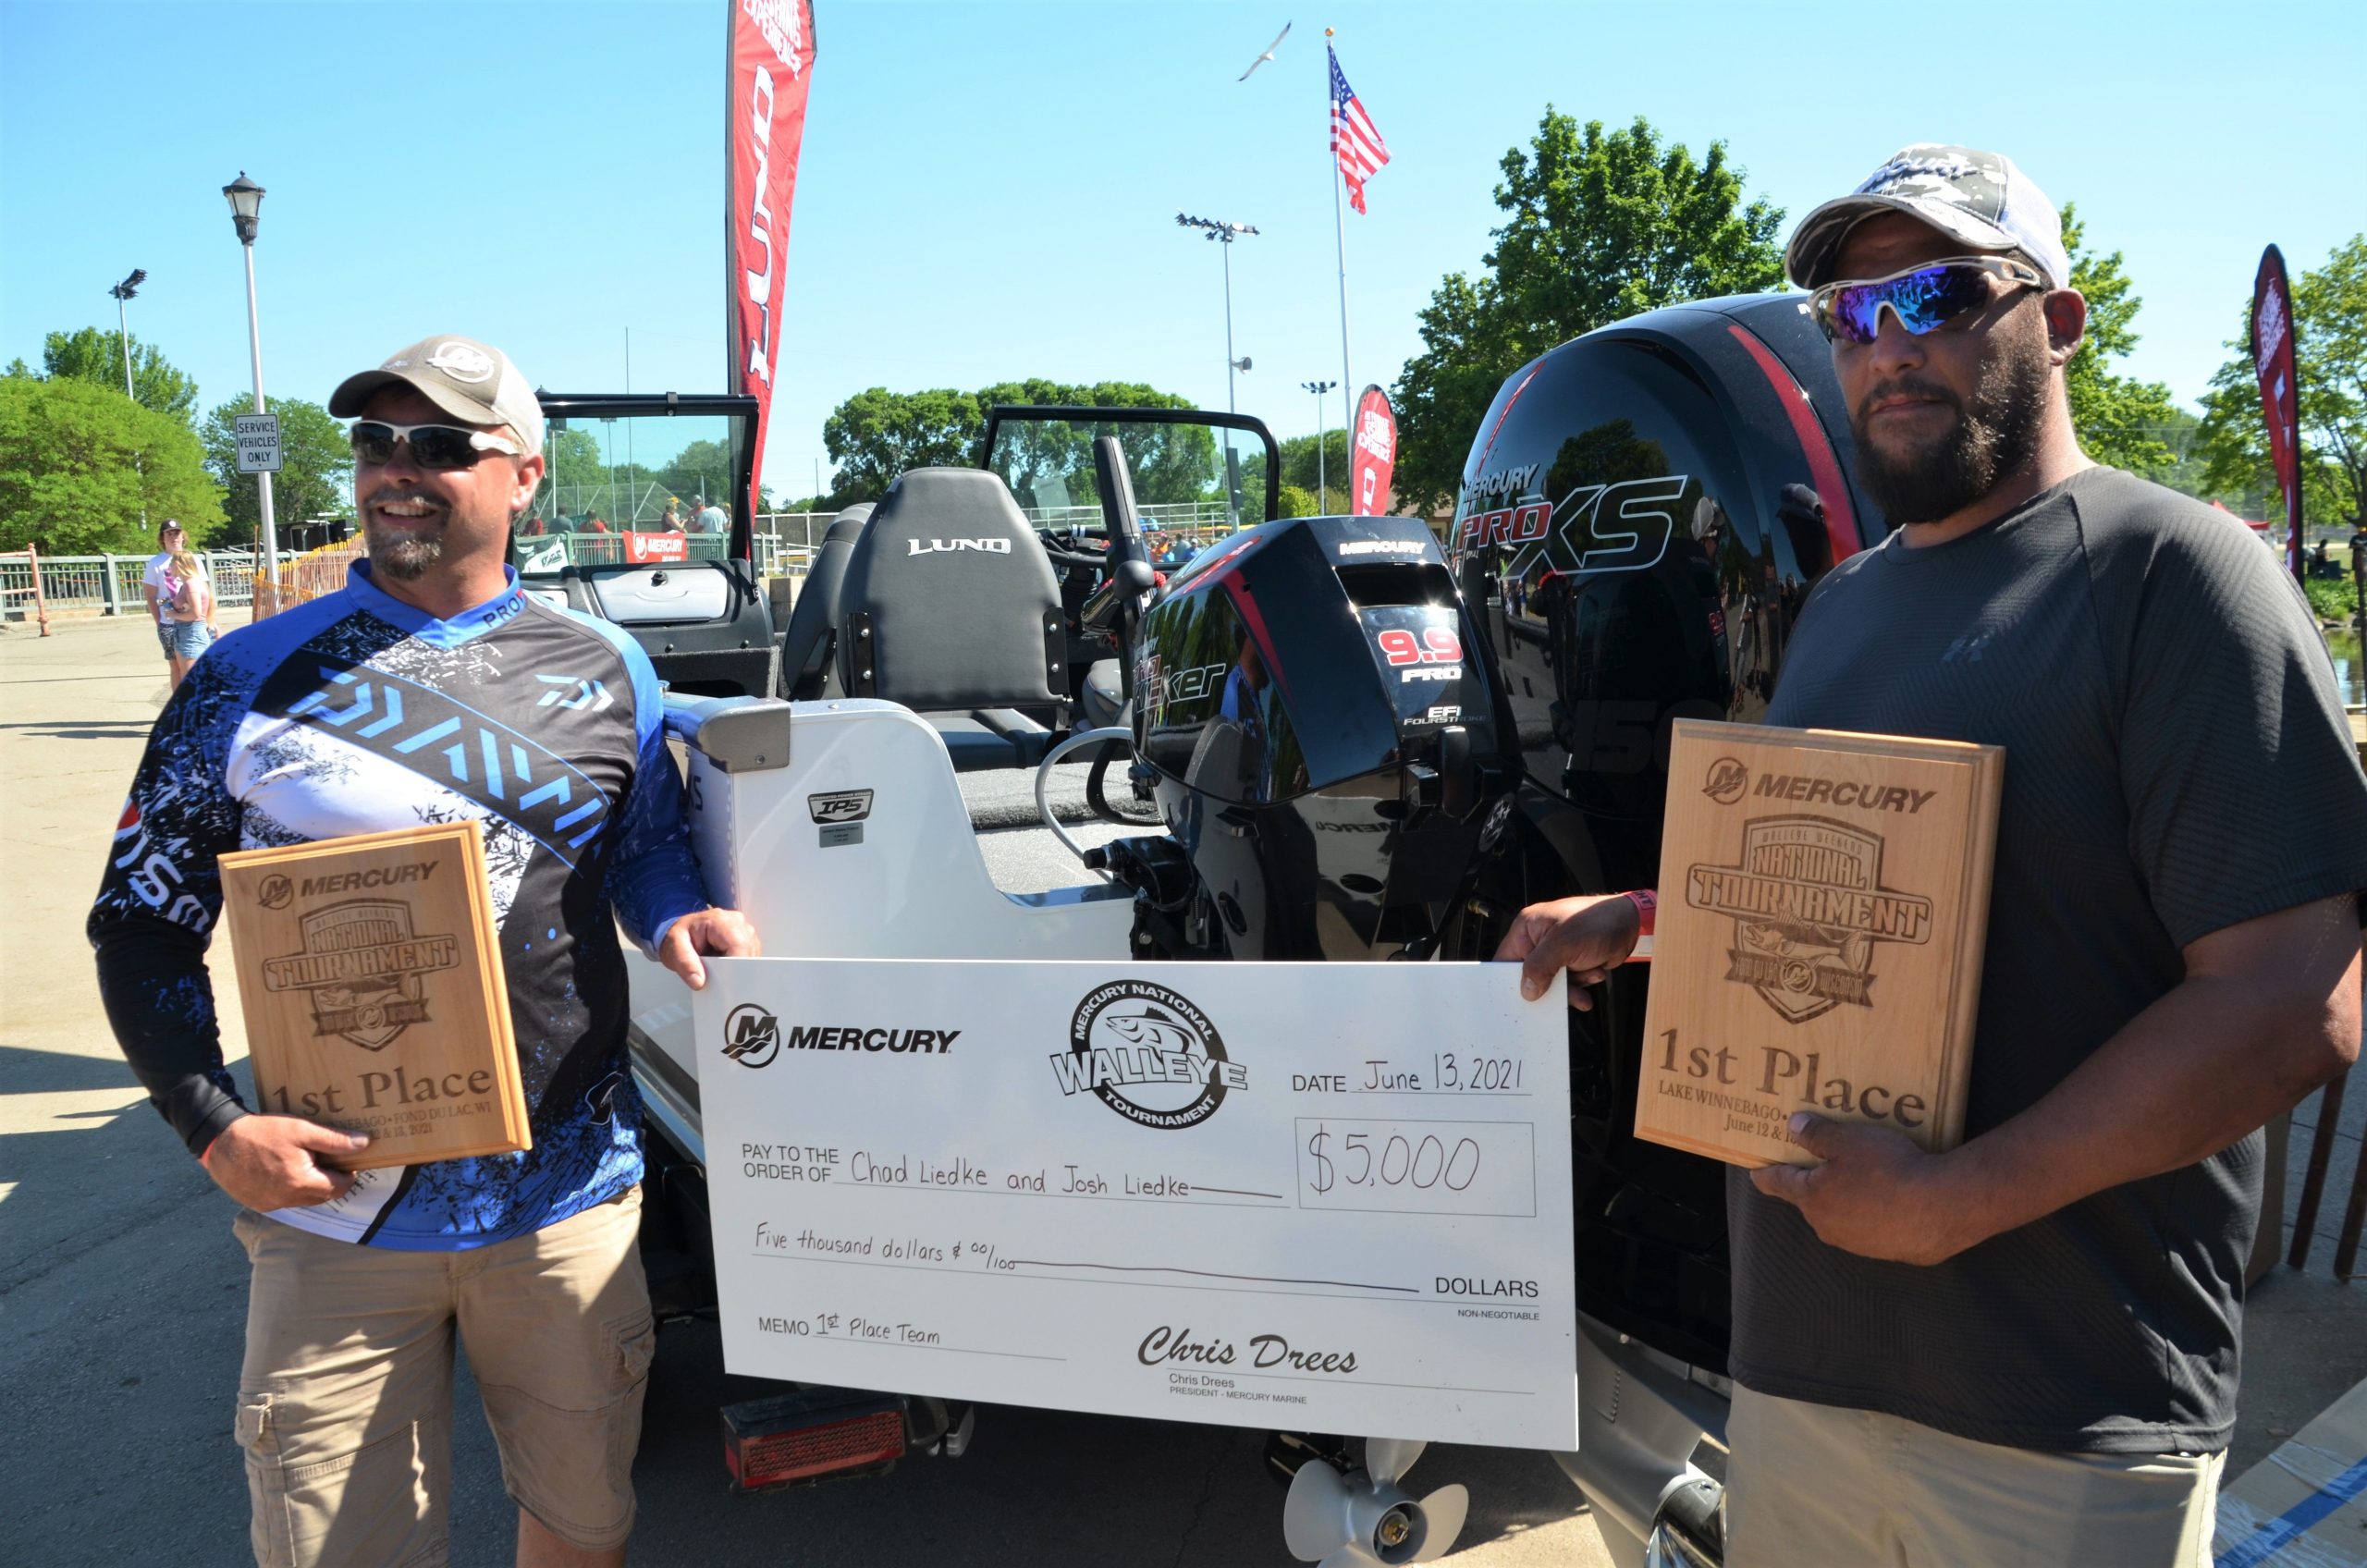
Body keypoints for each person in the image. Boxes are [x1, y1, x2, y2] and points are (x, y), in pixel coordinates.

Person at [1499, 145, 2366, 1566]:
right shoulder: (1841, 607)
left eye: (1939, 295)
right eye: (1849, 312)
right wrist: (1646, 918)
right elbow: (1878, 892)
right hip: (1797, 1381)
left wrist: (1958, 1200)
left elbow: (2295, 1001)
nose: (1886, 346)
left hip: (2064, 1419)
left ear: (2058, 319)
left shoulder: (2176, 575)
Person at [89, 333, 761, 1568]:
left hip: (566, 1206)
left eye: (442, 445)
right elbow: (139, 923)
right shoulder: (239, 681)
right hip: (337, 1217)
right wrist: (206, 1120)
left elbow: (647, 844)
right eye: (376, 443)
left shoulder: (607, 668)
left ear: (524, 477)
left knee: (580, 1528)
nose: (399, 470)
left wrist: (676, 912)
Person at [158, 539, 218, 688]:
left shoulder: (191, 584)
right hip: (187, 634)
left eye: (171, 564)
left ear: (178, 565)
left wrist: (173, 615)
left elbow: (196, 614)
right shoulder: (191, 583)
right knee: (192, 682)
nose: (170, 568)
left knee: (191, 684)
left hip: (191, 635)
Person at [141, 520, 190, 681]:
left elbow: (205, 591)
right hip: (168, 623)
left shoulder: (192, 559)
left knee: (191, 665)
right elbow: (150, 595)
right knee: (175, 665)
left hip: (192, 621)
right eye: (169, 533)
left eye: (177, 533)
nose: (174, 537)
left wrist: (208, 619)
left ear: (183, 536)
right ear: (162, 538)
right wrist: (159, 621)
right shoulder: (155, 563)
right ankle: (177, 703)